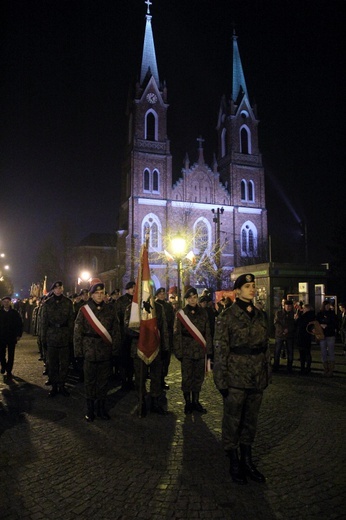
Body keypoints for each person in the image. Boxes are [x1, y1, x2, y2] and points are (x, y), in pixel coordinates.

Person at [213, 273, 270, 485]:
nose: (252, 289)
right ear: (237, 291)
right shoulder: (226, 316)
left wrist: (266, 374)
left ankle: (247, 459)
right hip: (235, 377)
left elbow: (265, 348)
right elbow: (220, 350)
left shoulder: (260, 315)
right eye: (247, 286)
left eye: (253, 285)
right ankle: (234, 459)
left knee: (250, 421)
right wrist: (221, 380)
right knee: (233, 419)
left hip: (256, 376)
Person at [74, 281, 121, 422]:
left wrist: (115, 350)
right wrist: (78, 353)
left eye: (102, 293)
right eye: (96, 293)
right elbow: (77, 333)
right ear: (91, 295)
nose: (99, 296)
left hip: (105, 351)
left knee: (103, 382)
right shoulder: (84, 310)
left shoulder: (110, 310)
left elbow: (116, 331)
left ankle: (101, 409)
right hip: (89, 351)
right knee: (89, 382)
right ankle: (90, 410)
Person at [173, 287, 212, 414]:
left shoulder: (203, 313)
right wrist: (179, 352)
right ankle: (188, 403)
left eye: (194, 297)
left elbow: (207, 333)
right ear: (186, 299)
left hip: (200, 350)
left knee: (198, 378)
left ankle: (196, 401)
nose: (192, 300)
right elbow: (177, 334)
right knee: (187, 378)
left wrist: (209, 350)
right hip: (187, 351)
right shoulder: (181, 314)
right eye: (190, 298)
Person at [40, 281, 75, 397]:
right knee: (52, 363)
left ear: (63, 289)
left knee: (64, 363)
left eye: (60, 288)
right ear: (53, 290)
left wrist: (71, 337)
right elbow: (44, 322)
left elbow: (71, 321)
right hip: (51, 336)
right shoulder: (47, 303)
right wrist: (43, 338)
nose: (58, 290)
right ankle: (54, 386)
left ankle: (62, 385)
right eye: (56, 288)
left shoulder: (68, 303)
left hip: (64, 336)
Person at [117, 281, 136, 390]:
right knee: (124, 359)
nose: (133, 289)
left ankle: (131, 378)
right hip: (123, 334)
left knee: (132, 359)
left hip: (134, 335)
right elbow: (118, 317)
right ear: (127, 289)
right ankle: (124, 380)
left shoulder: (138, 300)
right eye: (131, 287)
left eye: (135, 287)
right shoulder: (121, 301)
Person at [155, 287, 175, 390]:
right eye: (160, 294)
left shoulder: (168, 306)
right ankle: (157, 380)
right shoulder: (154, 306)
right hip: (158, 336)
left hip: (168, 335)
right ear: (157, 295)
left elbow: (172, 321)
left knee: (166, 360)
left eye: (163, 293)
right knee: (159, 360)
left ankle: (162, 379)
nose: (162, 295)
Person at [0, 296, 23, 381]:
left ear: (10, 303)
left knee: (11, 354)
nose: (6, 303)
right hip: (1, 337)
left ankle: (9, 370)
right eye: (4, 301)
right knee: (1, 354)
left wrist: (18, 335)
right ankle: (3, 365)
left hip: (11, 337)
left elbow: (19, 324)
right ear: (2, 303)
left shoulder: (14, 313)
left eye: (7, 301)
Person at [273, 300, 296, 373]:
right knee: (277, 351)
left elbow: (294, 324)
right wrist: (283, 330)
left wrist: (288, 329)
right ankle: (276, 366)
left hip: (289, 335)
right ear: (284, 306)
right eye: (287, 306)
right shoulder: (279, 313)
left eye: (290, 306)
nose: (289, 308)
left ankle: (289, 367)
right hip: (280, 335)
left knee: (290, 351)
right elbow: (276, 323)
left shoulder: (293, 314)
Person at [316, 300, 337, 376]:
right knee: (323, 352)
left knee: (331, 351)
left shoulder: (332, 314)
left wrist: (327, 325)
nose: (327, 307)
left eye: (328, 305)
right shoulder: (320, 314)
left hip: (330, 334)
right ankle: (325, 369)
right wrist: (321, 325)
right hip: (322, 335)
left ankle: (331, 370)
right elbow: (316, 323)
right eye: (326, 305)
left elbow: (335, 323)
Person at [295, 304, 315, 374]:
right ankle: (307, 367)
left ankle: (303, 368)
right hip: (306, 336)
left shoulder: (305, 316)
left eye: (304, 308)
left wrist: (297, 318)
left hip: (302, 336)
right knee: (307, 352)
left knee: (303, 353)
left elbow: (298, 323)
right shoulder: (311, 316)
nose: (303, 309)